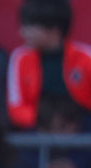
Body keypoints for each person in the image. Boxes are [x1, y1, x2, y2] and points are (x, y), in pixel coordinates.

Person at [7, 0, 91, 129]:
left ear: (54, 30)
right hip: (35, 130)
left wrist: (74, 122)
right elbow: (16, 108)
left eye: (30, 26)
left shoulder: (85, 57)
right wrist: (42, 121)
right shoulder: (20, 58)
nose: (22, 32)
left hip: (82, 131)